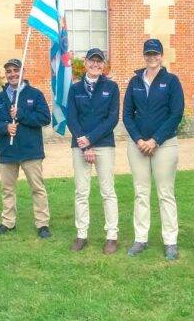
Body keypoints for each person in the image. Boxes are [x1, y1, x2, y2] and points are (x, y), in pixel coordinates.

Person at [123, 39, 184, 259]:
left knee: (165, 193)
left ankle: (170, 241)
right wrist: (139, 140)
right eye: (148, 54)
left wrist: (155, 140)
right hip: (138, 146)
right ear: (144, 56)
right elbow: (127, 115)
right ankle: (140, 239)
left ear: (161, 56)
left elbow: (176, 113)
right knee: (141, 193)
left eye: (155, 53)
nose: (152, 57)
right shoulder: (135, 82)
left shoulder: (171, 81)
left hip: (164, 145)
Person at [0, 58, 52, 239]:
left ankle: (42, 223)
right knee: (7, 189)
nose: (13, 74)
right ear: (5, 74)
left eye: (16, 70)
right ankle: (8, 222)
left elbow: (44, 118)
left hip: (31, 150)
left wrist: (21, 114)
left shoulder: (35, 95)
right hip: (7, 151)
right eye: (9, 71)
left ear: (23, 72)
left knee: (37, 188)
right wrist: (5, 127)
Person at [66, 48, 121, 253]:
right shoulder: (75, 88)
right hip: (80, 146)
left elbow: (112, 118)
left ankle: (112, 236)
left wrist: (91, 139)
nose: (95, 64)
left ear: (103, 65)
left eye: (99, 61)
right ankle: (81, 235)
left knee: (108, 191)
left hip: (104, 144)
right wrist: (85, 144)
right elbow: (72, 118)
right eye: (92, 61)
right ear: (85, 63)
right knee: (81, 192)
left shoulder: (111, 87)